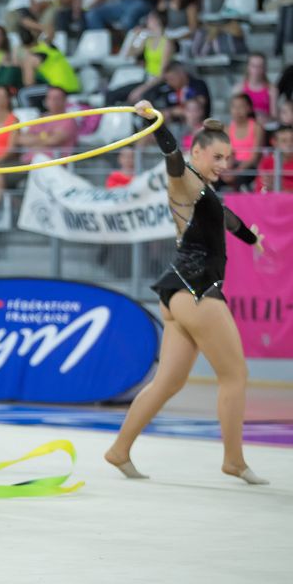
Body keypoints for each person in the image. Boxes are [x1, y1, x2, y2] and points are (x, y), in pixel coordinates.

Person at [106, 101, 268, 485]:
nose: (224, 164)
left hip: (179, 294)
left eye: (228, 158)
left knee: (168, 383)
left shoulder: (205, 192)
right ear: (197, 152)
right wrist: (155, 122)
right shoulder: (185, 180)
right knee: (235, 375)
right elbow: (172, 158)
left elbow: (227, 219)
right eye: (217, 157)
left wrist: (251, 238)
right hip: (197, 291)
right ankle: (233, 460)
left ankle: (119, 450)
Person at [105, 10, 176, 105]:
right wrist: (135, 36)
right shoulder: (148, 39)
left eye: (149, 19)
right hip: (147, 79)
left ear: (157, 21)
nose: (147, 21)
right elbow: (129, 54)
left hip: (159, 81)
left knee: (141, 99)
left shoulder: (167, 43)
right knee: (111, 95)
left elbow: (163, 74)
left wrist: (141, 89)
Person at [16, 87, 79, 162]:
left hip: (54, 165)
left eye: (56, 98)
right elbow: (21, 139)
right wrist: (46, 136)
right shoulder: (41, 117)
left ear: (65, 101)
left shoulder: (69, 120)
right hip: (29, 162)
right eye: (50, 98)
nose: (53, 101)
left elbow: (53, 140)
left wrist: (34, 140)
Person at [222, 93, 265, 191]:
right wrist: (227, 170)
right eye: (234, 107)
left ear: (249, 108)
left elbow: (254, 157)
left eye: (241, 106)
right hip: (233, 166)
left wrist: (236, 172)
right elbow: (228, 154)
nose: (237, 110)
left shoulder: (257, 127)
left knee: (241, 180)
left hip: (250, 167)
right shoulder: (227, 129)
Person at [231, 53, 279, 126]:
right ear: (248, 67)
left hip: (265, 127)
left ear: (265, 68)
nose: (256, 70)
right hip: (245, 127)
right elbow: (234, 115)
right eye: (253, 66)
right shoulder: (239, 89)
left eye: (260, 66)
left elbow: (274, 116)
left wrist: (265, 119)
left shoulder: (272, 90)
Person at [255, 125, 293, 193]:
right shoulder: (267, 162)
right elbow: (260, 190)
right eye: (284, 141)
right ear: (274, 142)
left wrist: (278, 189)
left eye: (292, 140)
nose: (289, 144)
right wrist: (266, 188)